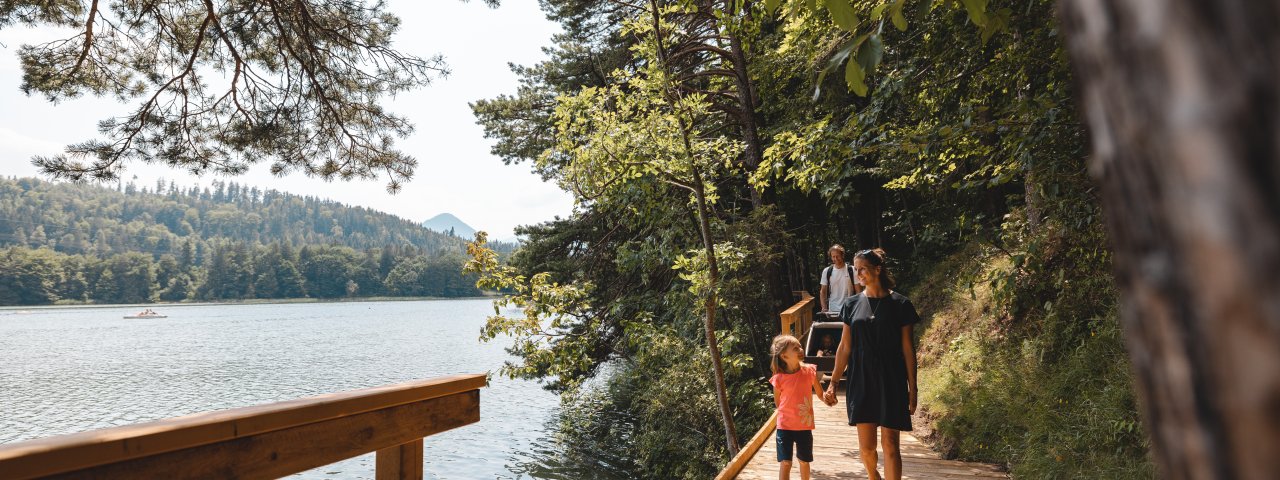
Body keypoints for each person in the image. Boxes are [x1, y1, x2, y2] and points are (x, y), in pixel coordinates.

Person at [824, 248, 920, 480]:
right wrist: (833, 382)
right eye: (856, 270)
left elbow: (908, 349)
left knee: (890, 445)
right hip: (862, 378)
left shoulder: (901, 304)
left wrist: (913, 388)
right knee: (867, 449)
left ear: (878, 269)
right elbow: (845, 347)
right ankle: (873, 475)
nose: (859, 274)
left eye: (863, 269)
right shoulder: (851, 304)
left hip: (892, 378)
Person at [770, 334, 835, 480]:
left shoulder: (809, 372)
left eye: (800, 346)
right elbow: (778, 403)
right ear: (784, 356)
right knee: (785, 462)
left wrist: (828, 399)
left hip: (804, 426)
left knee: (804, 461)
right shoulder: (778, 378)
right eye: (795, 348)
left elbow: (820, 394)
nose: (800, 349)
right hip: (784, 426)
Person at [819, 244, 859, 317]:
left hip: (849, 309)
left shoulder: (852, 270)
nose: (836, 258)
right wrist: (824, 308)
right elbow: (823, 291)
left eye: (838, 256)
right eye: (833, 256)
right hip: (832, 311)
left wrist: (858, 307)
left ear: (842, 255)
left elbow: (858, 291)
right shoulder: (827, 271)